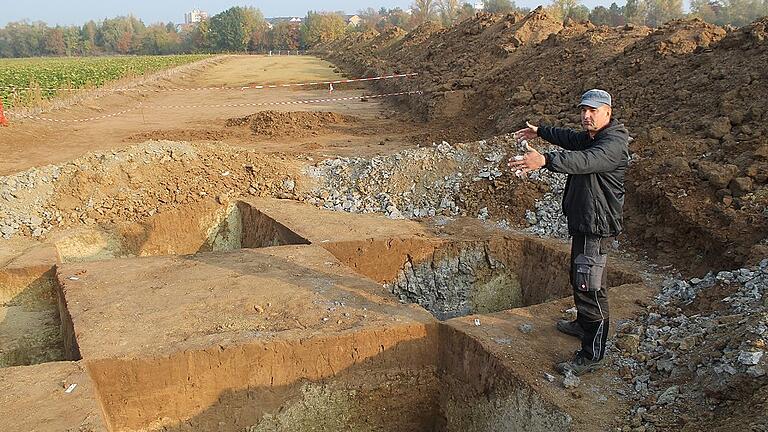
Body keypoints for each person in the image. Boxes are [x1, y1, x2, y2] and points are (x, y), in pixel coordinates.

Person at [509, 89, 630, 375]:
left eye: (593, 111)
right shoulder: (593, 137)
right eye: (584, 110)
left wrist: (545, 161)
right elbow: (569, 139)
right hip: (584, 221)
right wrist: (541, 132)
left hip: (596, 225)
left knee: (590, 286)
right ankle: (581, 325)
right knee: (579, 278)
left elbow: (583, 161)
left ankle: (592, 353)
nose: (587, 116)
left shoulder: (611, 144)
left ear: (608, 113)